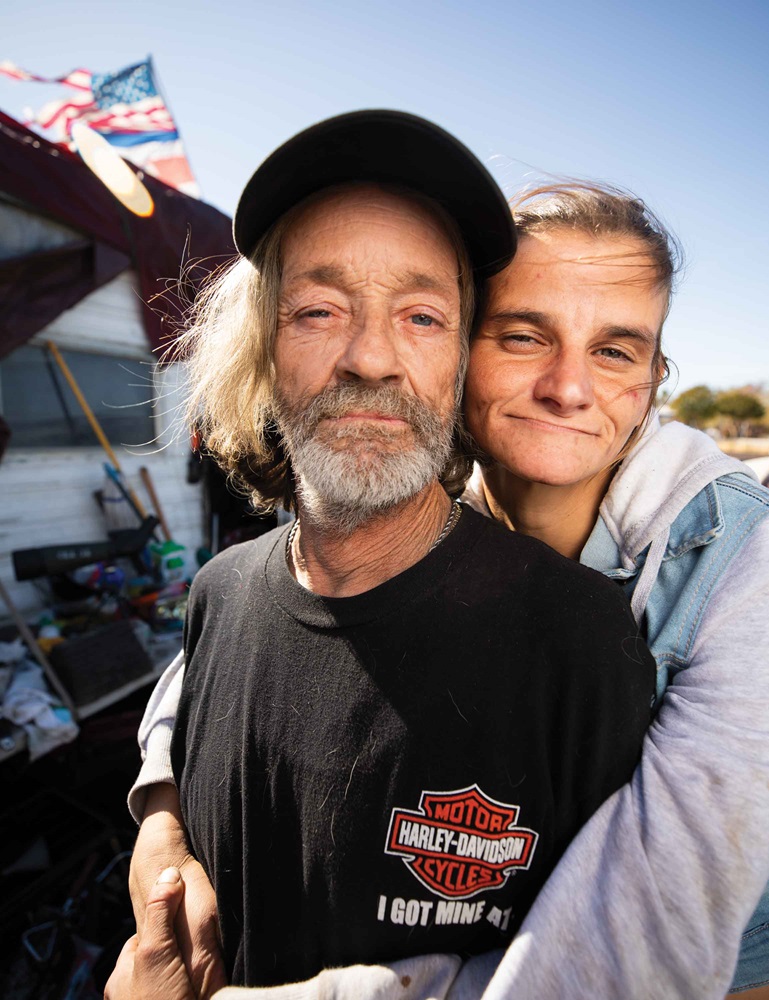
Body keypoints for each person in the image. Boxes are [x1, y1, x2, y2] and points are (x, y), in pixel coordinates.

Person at [110, 113, 656, 995]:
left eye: (422, 316)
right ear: (267, 346)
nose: (371, 358)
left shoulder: (580, 641)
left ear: (462, 361)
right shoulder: (217, 596)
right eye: (319, 310)